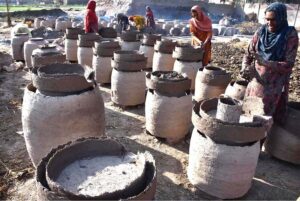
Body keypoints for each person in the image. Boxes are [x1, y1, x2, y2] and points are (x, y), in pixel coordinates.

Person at [241, 2, 299, 124]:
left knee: (264, 120)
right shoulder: (261, 32)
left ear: (282, 18)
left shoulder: (290, 34)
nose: (269, 23)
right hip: (256, 83)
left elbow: (288, 65)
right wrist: (245, 66)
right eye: (267, 19)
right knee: (248, 115)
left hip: (274, 87)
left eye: (273, 19)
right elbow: (249, 53)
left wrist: (266, 63)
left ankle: (264, 141)